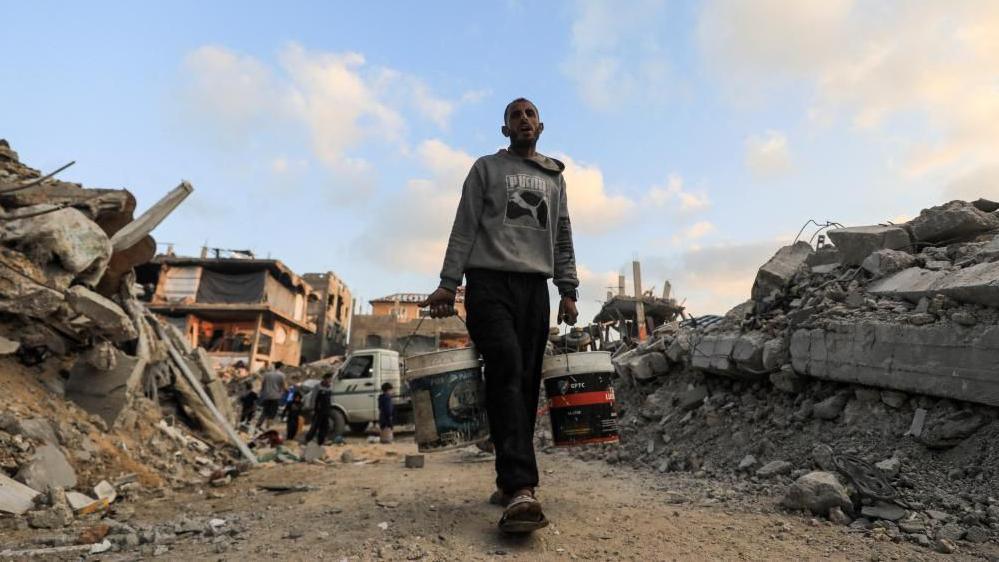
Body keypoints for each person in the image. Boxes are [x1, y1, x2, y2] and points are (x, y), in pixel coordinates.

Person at [420, 98, 578, 534]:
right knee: (506, 362)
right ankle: (523, 486)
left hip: (534, 288)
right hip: (487, 283)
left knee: (526, 380)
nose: (523, 120)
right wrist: (449, 283)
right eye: (515, 116)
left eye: (530, 114)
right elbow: (465, 226)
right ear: (505, 129)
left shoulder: (554, 176)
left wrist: (568, 289)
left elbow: (562, 232)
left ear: (541, 125)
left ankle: (508, 483)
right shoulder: (486, 169)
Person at [304, 373, 334, 446]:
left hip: (326, 410)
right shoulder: (318, 387)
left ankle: (321, 441)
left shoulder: (330, 387)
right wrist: (312, 408)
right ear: (325, 379)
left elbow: (331, 399)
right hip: (319, 410)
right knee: (315, 426)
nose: (330, 380)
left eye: (330, 379)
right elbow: (313, 398)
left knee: (325, 426)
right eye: (328, 379)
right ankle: (308, 439)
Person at [256, 361, 287, 430]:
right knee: (272, 414)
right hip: (275, 397)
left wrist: (262, 393)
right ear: (281, 367)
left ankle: (258, 425)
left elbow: (263, 385)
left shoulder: (267, 374)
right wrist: (283, 393)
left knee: (264, 412)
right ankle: (267, 428)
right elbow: (284, 387)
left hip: (266, 396)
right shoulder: (282, 375)